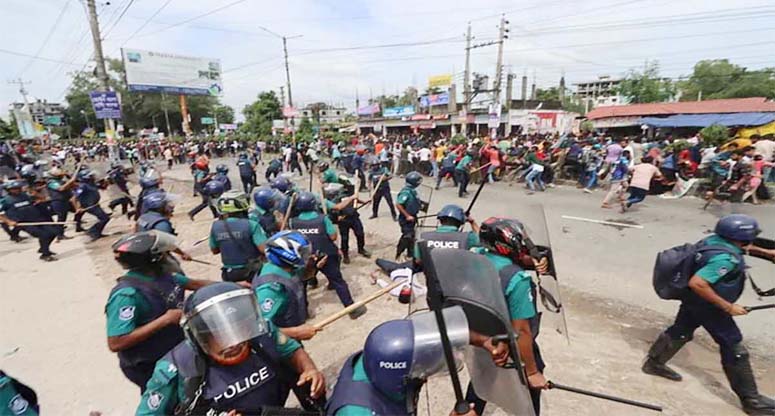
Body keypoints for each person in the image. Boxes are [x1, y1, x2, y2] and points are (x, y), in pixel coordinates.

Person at [642, 215, 775, 415]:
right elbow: (698, 283)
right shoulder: (725, 259)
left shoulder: (713, 241)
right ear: (743, 237)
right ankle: (752, 401)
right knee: (733, 345)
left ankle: (654, 363)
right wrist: (728, 307)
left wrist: (765, 252)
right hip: (710, 306)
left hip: (693, 300)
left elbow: (737, 248)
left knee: (681, 330)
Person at [137, 282, 325, 415]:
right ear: (197, 336)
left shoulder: (262, 332)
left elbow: (292, 350)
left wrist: (309, 369)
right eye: (219, 336)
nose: (233, 343)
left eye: (239, 330)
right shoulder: (175, 368)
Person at [105, 231, 213, 391]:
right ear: (154, 259)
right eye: (165, 253)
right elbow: (116, 342)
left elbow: (195, 284)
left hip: (175, 352)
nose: (168, 256)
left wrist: (236, 286)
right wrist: (165, 320)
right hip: (150, 364)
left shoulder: (164, 276)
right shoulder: (127, 295)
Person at [466, 217, 550, 415]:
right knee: (531, 387)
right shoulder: (517, 280)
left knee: (483, 378)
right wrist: (532, 372)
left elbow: (498, 257)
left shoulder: (475, 256)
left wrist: (533, 261)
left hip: (481, 335)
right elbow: (522, 330)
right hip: (509, 339)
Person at [326, 307, 477, 416]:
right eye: (419, 371)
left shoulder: (374, 359)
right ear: (398, 379)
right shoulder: (358, 413)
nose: (424, 377)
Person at [210, 191, 267, 283]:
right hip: (251, 272)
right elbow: (264, 249)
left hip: (229, 273)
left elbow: (214, 250)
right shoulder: (252, 225)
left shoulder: (215, 226)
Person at [0, 180, 59, 261]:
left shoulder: (25, 195)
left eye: (18, 188)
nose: (17, 190)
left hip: (37, 219)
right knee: (44, 235)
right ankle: (45, 254)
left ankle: (43, 248)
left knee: (53, 232)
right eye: (14, 188)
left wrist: (34, 193)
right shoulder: (5, 200)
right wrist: (9, 221)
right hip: (24, 223)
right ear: (8, 190)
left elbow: (42, 198)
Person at [414, 204, 479, 267]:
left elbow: (418, 260)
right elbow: (483, 240)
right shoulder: (467, 237)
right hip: (457, 275)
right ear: (460, 223)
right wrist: (472, 222)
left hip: (431, 276)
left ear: (440, 220)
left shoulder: (424, 236)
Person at [73, 169, 110, 241]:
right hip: (89, 206)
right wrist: (78, 208)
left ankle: (96, 233)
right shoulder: (83, 186)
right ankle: (92, 231)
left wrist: (106, 181)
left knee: (104, 218)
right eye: (90, 176)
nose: (92, 177)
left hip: (95, 205)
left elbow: (103, 187)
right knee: (104, 218)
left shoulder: (91, 184)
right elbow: (74, 198)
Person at [395, 171, 423, 259]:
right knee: (407, 236)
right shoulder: (406, 192)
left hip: (413, 216)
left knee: (412, 237)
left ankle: (410, 254)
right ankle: (399, 253)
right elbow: (398, 204)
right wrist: (407, 216)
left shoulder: (413, 191)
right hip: (406, 218)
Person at [45, 167, 77, 241]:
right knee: (61, 218)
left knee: (76, 211)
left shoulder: (61, 180)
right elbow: (61, 188)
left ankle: (78, 226)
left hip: (65, 200)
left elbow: (70, 186)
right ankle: (60, 235)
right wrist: (70, 181)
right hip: (58, 201)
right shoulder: (51, 182)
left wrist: (70, 179)